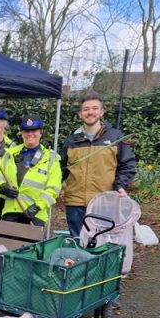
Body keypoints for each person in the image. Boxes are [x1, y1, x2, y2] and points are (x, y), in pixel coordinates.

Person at [60, 91, 138, 237]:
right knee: (78, 241)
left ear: (102, 112)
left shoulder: (115, 137)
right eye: (86, 109)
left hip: (104, 201)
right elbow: (61, 169)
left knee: (102, 242)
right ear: (80, 114)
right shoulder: (71, 141)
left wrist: (120, 186)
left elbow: (128, 165)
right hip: (75, 203)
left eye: (95, 108)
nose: (90, 112)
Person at [0, 115, 61, 227]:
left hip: (35, 216)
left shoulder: (52, 158)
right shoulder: (9, 154)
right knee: (8, 244)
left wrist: (37, 207)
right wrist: (2, 188)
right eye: (26, 131)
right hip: (11, 212)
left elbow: (53, 189)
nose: (30, 134)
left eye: (34, 130)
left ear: (41, 132)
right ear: (22, 133)